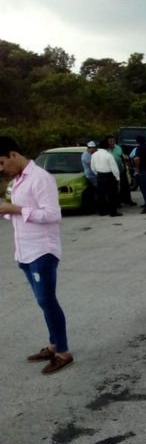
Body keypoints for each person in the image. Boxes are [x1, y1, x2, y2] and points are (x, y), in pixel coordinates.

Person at [0, 136, 74, 375]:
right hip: (24, 251)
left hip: (42, 251)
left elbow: (52, 214)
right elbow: (22, 214)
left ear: (13, 155)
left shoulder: (40, 178)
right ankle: (53, 346)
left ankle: (63, 352)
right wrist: (7, 210)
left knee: (47, 301)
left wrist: (15, 209)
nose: (1, 169)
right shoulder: (18, 180)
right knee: (43, 302)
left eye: (2, 163)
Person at [90, 141, 122, 217]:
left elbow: (92, 167)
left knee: (100, 194)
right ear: (107, 147)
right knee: (112, 194)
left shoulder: (94, 155)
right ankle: (113, 212)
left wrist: (98, 174)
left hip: (100, 175)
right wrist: (117, 177)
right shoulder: (108, 155)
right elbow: (114, 167)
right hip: (109, 175)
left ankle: (102, 211)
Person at [105, 135, 136, 206]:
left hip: (121, 169)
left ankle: (127, 200)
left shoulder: (118, 147)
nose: (112, 143)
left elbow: (122, 155)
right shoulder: (105, 149)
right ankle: (117, 202)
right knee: (115, 187)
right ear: (107, 142)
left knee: (125, 185)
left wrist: (126, 158)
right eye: (110, 141)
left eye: (113, 141)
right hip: (111, 171)